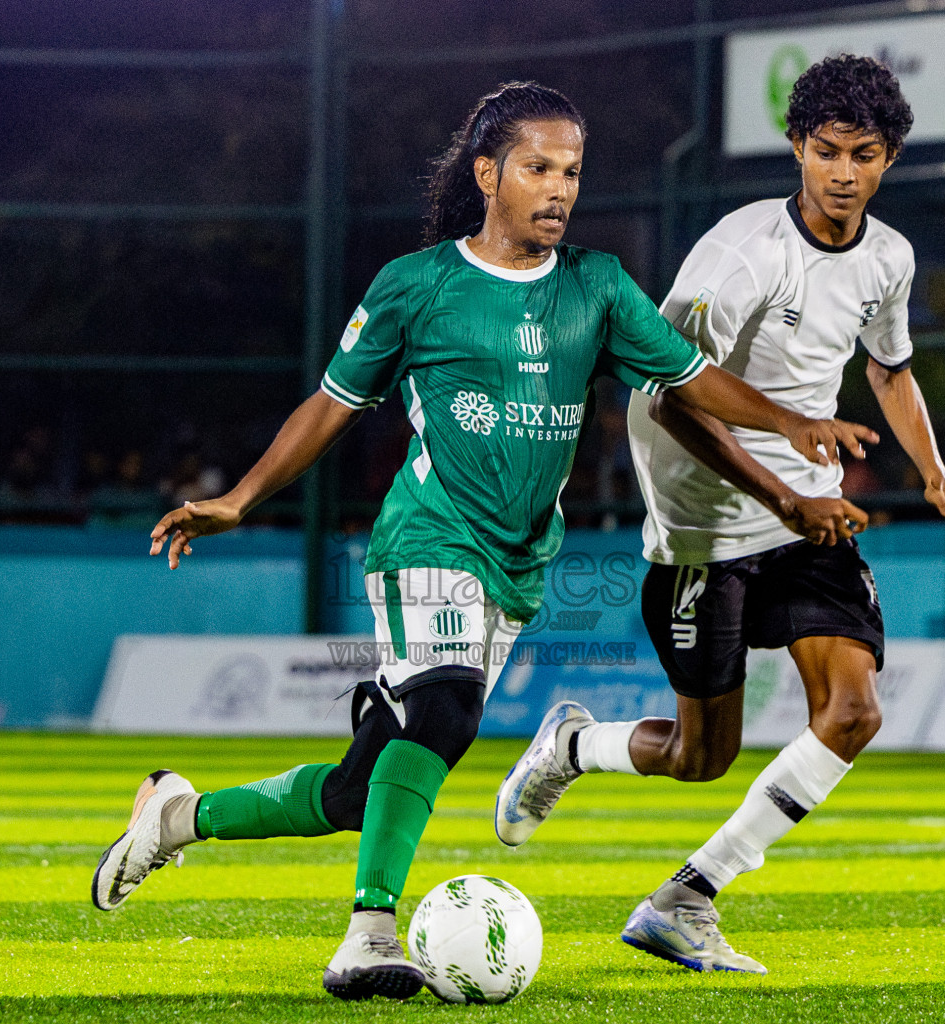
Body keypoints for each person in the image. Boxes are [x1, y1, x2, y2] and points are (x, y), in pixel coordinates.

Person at [88, 81, 877, 1002]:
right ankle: (368, 936)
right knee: (448, 709)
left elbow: (691, 380)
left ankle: (176, 816)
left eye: (572, 171)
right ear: (487, 174)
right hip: (428, 537)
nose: (559, 189)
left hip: (518, 561)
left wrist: (791, 423)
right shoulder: (416, 285)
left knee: (357, 791)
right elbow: (333, 404)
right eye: (538, 168)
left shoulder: (596, 284)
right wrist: (240, 499)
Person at [495, 56, 945, 975]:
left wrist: (937, 478)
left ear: (890, 158)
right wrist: (784, 496)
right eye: (827, 151)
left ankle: (688, 896)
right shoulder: (741, 253)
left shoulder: (889, 257)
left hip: (806, 505)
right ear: (797, 147)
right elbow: (670, 396)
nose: (843, 173)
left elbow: (890, 369)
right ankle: (573, 745)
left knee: (853, 712)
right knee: (700, 756)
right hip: (704, 516)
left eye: (865, 155)